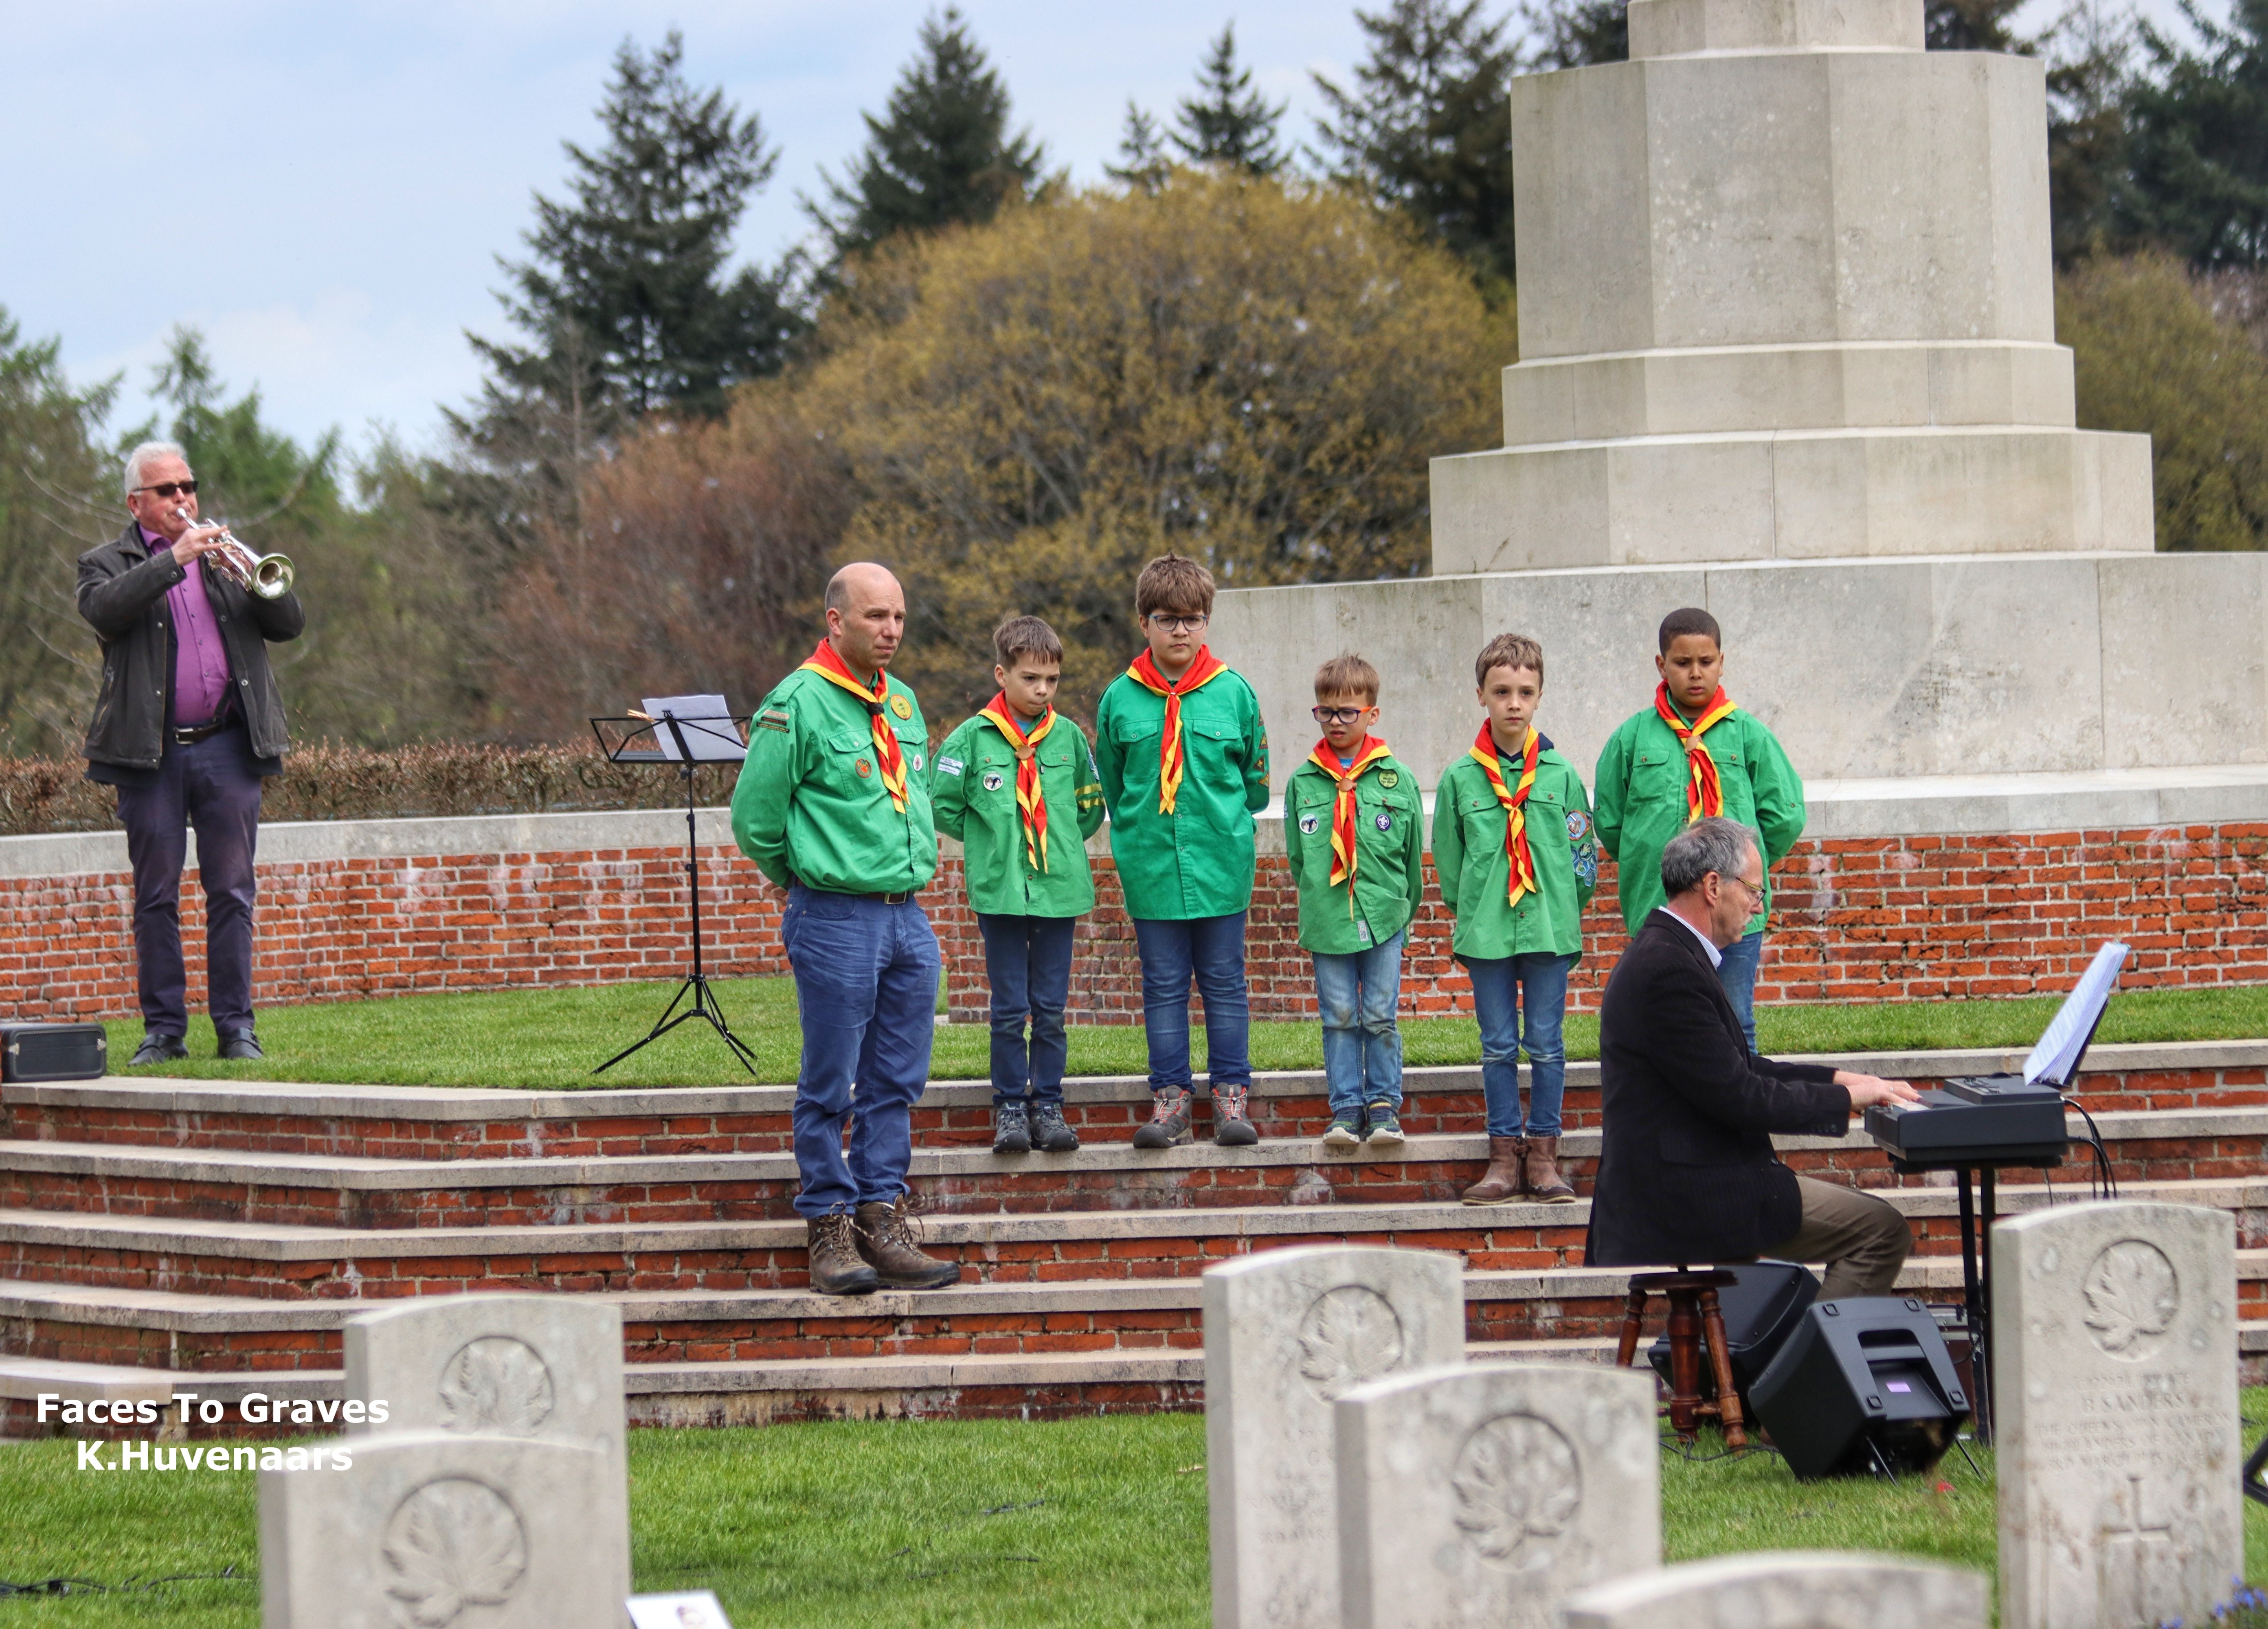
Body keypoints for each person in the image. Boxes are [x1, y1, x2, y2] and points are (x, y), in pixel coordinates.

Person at [732, 562, 962, 1297]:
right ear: (835, 621)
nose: (890, 631)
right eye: (874, 617)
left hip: (906, 917)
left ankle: (881, 1218)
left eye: (897, 616)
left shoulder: (901, 704)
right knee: (831, 1079)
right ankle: (827, 1227)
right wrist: (798, 871)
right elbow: (755, 818)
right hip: (834, 916)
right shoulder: (796, 703)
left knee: (896, 1078)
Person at [1587, 817, 1919, 1299]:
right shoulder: (1667, 968)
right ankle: (1811, 1370)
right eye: (1754, 892)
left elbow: (1740, 1067)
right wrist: (1846, 1098)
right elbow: (1742, 1096)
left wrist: (1843, 1079)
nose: (1757, 907)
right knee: (1882, 1229)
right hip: (1688, 1194)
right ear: (1713, 886)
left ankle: (1782, 1364)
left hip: (1683, 1181)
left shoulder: (1669, 952)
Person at [77, 441, 305, 1065]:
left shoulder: (224, 559)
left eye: (188, 486)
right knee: (156, 897)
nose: (183, 498)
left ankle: (236, 1029)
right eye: (167, 490)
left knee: (232, 891)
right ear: (135, 503)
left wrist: (248, 578)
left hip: (228, 748)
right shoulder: (105, 563)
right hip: (148, 758)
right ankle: (164, 1032)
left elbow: (289, 623)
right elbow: (104, 612)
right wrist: (172, 560)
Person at [1092, 554, 1270, 1148]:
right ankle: (1170, 1103)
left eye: (1193, 619)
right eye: (1167, 619)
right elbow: (1116, 787)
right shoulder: (1120, 700)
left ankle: (1230, 1100)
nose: (1181, 632)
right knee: (1163, 984)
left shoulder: (1234, 694)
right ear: (1143, 621)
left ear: (1207, 622)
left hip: (1220, 864)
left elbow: (1255, 783)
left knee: (1224, 981)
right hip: (1152, 867)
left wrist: (1220, 829)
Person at [931, 615, 1108, 1155]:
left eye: (1052, 680)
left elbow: (1089, 807)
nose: (1042, 690)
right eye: (1031, 678)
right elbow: (941, 803)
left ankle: (1048, 1105)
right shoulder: (971, 737)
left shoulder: (1071, 738)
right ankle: (1010, 1106)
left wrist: (1051, 846)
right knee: (1009, 1007)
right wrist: (992, 842)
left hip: (1057, 892)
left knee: (1051, 1007)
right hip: (1001, 892)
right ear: (1002, 673)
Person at [1431, 634, 1598, 1206]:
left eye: (1525, 692)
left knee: (1547, 1045)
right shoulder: (1460, 779)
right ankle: (1503, 1156)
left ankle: (1545, 1158)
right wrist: (1475, 911)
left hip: (1549, 928)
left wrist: (1564, 907)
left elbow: (1583, 854)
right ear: (1481, 695)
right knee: (1499, 1045)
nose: (1513, 704)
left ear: (1539, 696)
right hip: (1488, 932)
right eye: (1501, 691)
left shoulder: (1561, 776)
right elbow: (1450, 866)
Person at [1594, 607, 1804, 1051]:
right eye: (1682, 663)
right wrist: (1654, 865)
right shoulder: (1631, 739)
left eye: (1705, 663)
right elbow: (1611, 822)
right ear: (1661, 664)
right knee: (1664, 1019)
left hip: (1734, 910)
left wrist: (1744, 871)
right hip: (1661, 907)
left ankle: (1740, 1114)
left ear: (1721, 662)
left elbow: (1784, 815)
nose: (1695, 673)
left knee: (1734, 1018)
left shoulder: (1748, 735)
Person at [1282, 654, 1424, 1149]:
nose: (1336, 721)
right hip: (1328, 918)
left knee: (1381, 1014)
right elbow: (1299, 860)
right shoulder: (1303, 783)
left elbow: (1411, 861)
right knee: (1339, 1014)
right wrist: (1323, 899)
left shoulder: (1397, 779)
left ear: (1372, 714)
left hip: (1383, 915)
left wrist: (1400, 911)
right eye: (1326, 712)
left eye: (1347, 711)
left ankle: (1383, 1107)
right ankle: (1345, 1108)